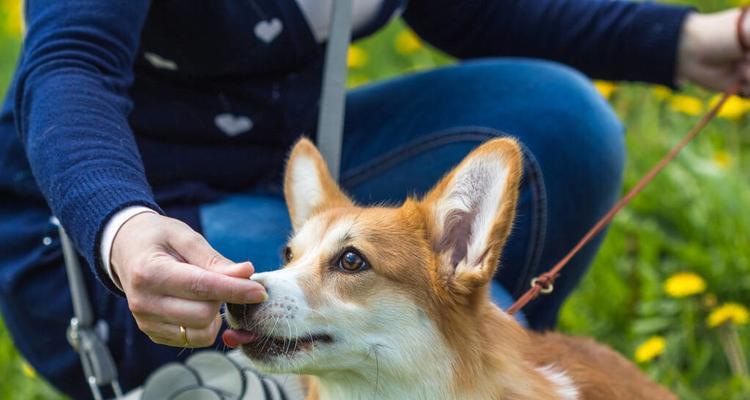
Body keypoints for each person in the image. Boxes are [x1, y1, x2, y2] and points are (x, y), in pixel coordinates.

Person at [0, 0, 747, 398]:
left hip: (282, 169)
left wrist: (686, 41)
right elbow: (69, 63)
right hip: (110, 225)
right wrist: (122, 229)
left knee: (565, 119)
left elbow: (484, 12)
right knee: (399, 316)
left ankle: (461, 366)